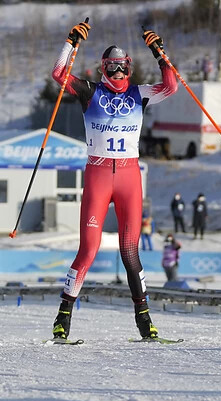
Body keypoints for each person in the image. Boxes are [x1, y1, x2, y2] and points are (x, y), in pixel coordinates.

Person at [49, 22, 178, 341]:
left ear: (130, 68)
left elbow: (171, 86)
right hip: (98, 175)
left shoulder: (139, 93)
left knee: (130, 251)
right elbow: (58, 75)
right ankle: (63, 317)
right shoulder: (90, 91)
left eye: (123, 66)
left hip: (130, 179)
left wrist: (160, 52)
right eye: (112, 67)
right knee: (88, 250)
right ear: (104, 68)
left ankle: (145, 320)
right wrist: (70, 42)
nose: (118, 72)